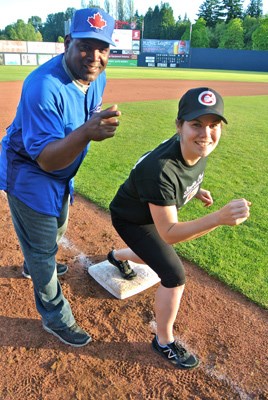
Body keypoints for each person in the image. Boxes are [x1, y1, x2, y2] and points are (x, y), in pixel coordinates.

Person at [0, 8, 121, 347]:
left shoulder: (97, 77)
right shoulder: (42, 86)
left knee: (58, 228)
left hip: (61, 166)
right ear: (67, 43)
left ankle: (30, 263)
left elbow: (82, 121)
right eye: (85, 46)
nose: (94, 57)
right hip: (29, 170)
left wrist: (87, 128)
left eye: (103, 48)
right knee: (43, 249)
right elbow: (47, 161)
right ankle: (55, 316)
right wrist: (86, 132)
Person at [108, 87, 251, 369]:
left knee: (155, 252)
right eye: (196, 124)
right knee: (173, 274)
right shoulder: (160, 170)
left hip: (150, 209)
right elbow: (169, 233)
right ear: (179, 125)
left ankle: (117, 256)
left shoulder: (198, 147)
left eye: (213, 125)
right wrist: (218, 218)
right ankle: (163, 340)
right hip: (131, 218)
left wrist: (194, 190)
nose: (206, 134)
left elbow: (183, 176)